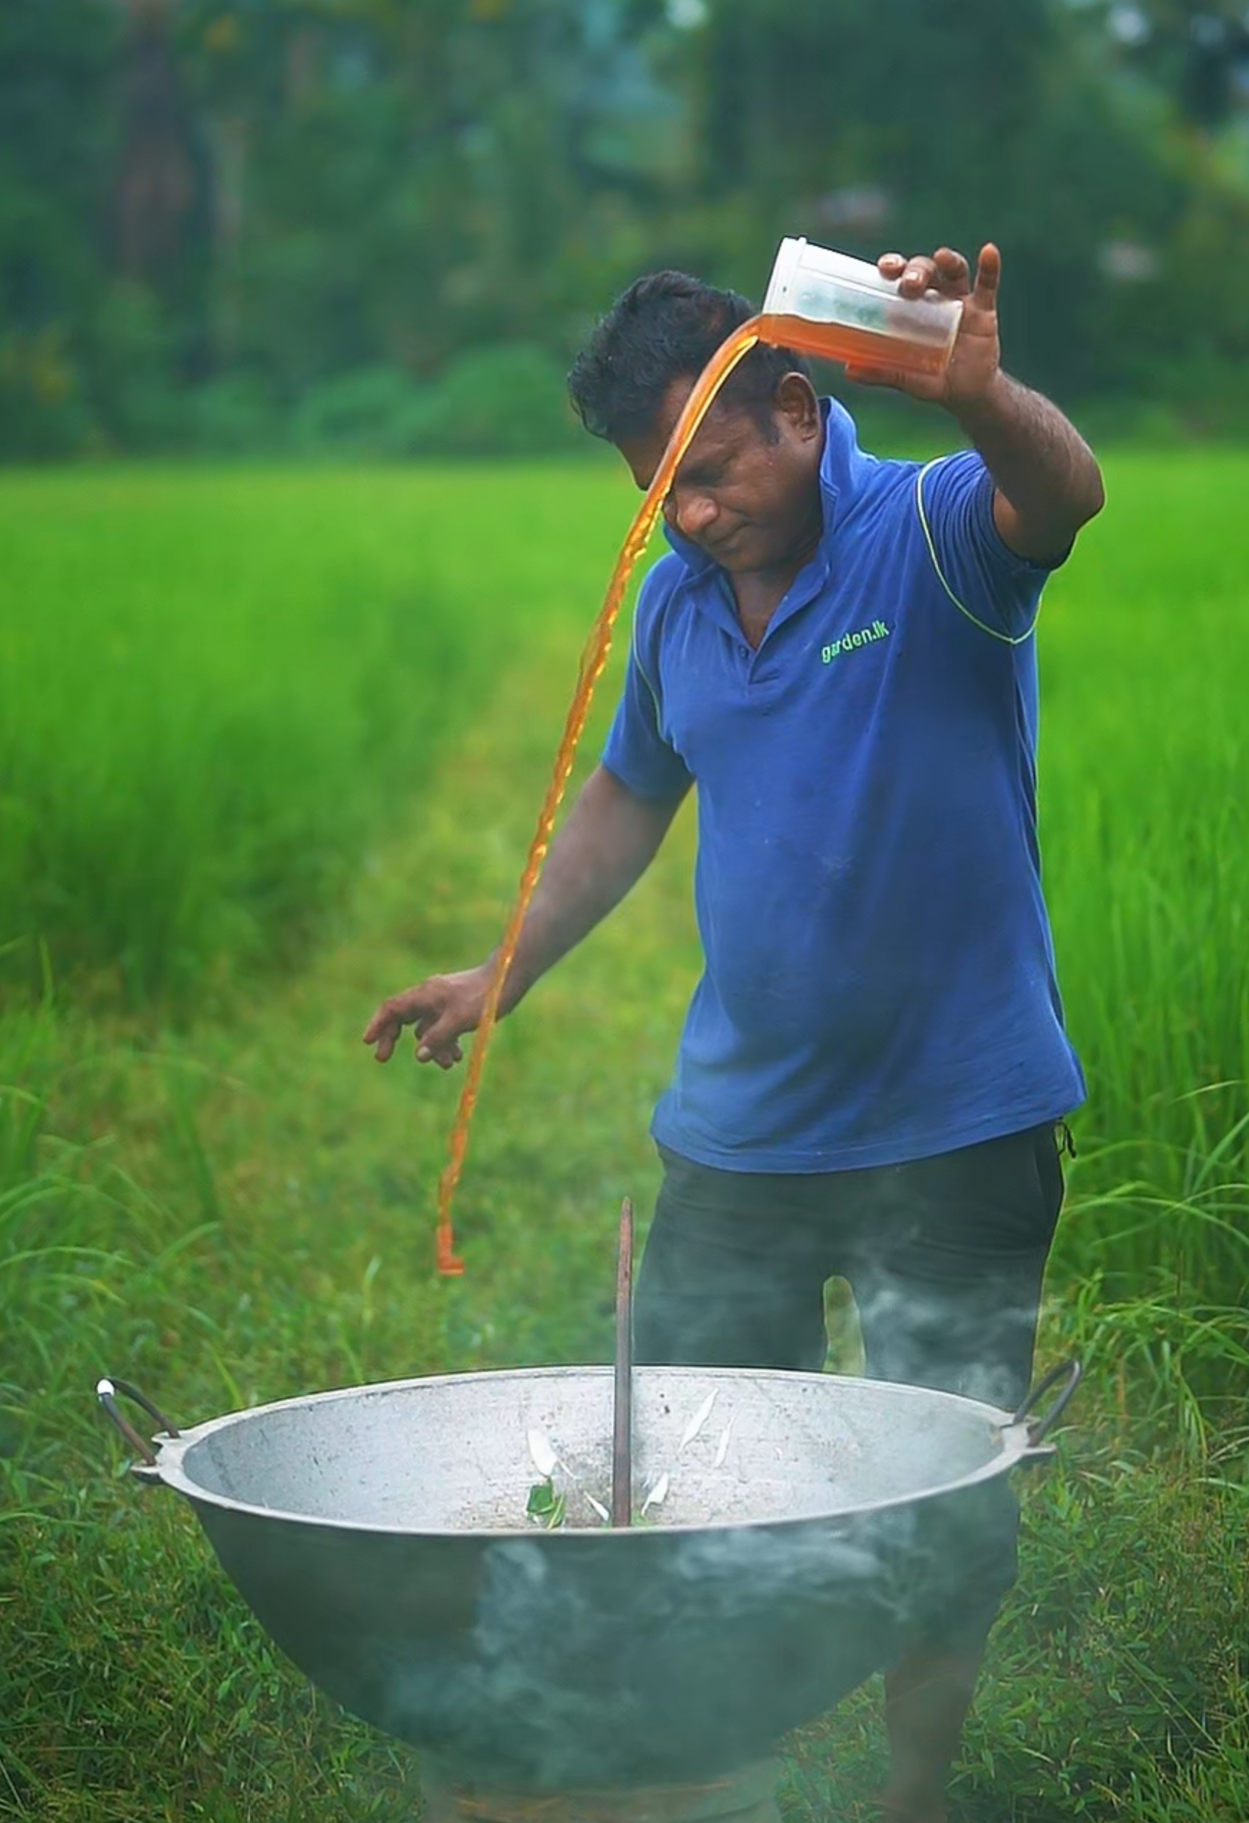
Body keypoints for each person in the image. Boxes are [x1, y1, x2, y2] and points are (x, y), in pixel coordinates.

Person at [364, 242, 1103, 1822]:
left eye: (707, 475)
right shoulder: (676, 604)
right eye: (656, 492)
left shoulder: (930, 535)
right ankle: (704, 1765)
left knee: (944, 1486)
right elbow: (630, 797)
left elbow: (1069, 495)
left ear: (793, 407)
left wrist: (985, 401)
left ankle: (915, 1790)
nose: (691, 514)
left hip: (958, 1126)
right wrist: (504, 969)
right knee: (683, 1472)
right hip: (742, 1139)